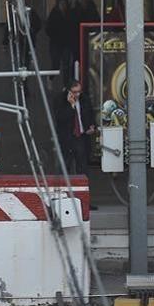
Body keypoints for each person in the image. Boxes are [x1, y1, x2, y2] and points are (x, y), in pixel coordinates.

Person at [55, 80, 98, 210]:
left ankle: (84, 202)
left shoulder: (84, 99)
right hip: (67, 138)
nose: (77, 94)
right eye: (74, 92)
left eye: (79, 91)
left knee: (82, 170)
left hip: (81, 137)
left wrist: (92, 126)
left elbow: (90, 114)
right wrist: (71, 106)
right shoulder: (60, 101)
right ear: (68, 91)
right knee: (66, 169)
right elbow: (59, 118)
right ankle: (65, 202)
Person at [46, 0, 77, 83]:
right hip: (56, 43)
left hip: (66, 43)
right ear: (58, 5)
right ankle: (50, 77)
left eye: (64, 4)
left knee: (66, 65)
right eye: (61, 4)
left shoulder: (70, 14)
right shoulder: (54, 14)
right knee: (56, 64)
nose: (63, 6)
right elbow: (48, 28)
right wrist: (54, 36)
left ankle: (65, 85)